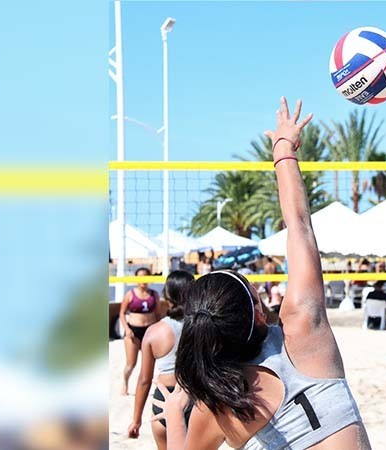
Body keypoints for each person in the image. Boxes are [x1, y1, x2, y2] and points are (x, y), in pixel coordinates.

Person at [153, 97, 371, 449]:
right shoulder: (303, 328)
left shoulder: (217, 402)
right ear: (256, 310)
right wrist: (283, 148)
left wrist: (177, 413)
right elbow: (299, 225)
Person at [127, 270, 195, 449]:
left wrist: (136, 420)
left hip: (164, 399)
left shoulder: (155, 331)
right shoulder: (203, 326)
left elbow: (144, 380)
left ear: (166, 294)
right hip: (196, 396)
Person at [119, 267, 162, 395]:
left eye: (146, 276)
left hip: (149, 331)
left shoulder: (154, 294)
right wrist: (127, 329)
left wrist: (159, 329)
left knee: (148, 364)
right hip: (133, 331)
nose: (143, 280)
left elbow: (158, 314)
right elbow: (122, 313)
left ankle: (143, 387)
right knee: (131, 364)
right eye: (141, 277)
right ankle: (125, 382)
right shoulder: (130, 294)